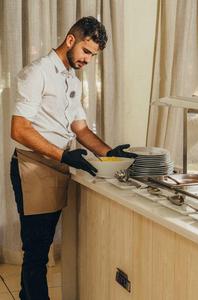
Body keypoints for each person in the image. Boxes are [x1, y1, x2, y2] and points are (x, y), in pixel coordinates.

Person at [9, 16, 135, 300]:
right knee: (37, 252)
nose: (88, 60)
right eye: (86, 51)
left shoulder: (71, 80)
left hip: (57, 166)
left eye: (93, 55)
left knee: (40, 247)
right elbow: (19, 129)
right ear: (70, 40)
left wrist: (109, 153)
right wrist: (63, 154)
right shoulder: (37, 72)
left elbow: (80, 129)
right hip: (33, 167)